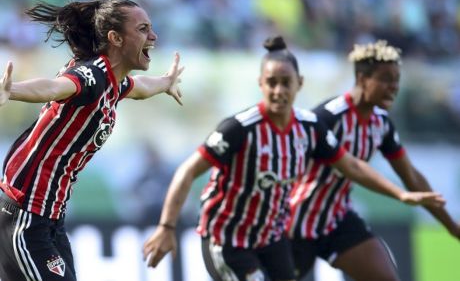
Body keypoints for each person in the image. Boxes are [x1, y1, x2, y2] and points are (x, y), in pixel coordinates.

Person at [142, 36, 444, 281]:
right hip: (228, 239)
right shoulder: (239, 128)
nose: (278, 90)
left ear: (299, 83)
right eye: (271, 82)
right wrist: (166, 227)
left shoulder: (310, 128)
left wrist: (400, 193)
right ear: (261, 84)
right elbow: (187, 170)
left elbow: (351, 165)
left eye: (285, 82)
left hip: (272, 238)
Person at [0, 0, 184, 281]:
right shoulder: (91, 77)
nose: (153, 36)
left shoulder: (114, 81)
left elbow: (138, 88)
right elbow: (54, 87)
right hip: (26, 213)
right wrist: (12, 91)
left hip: (48, 218)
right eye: (143, 29)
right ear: (116, 38)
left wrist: (164, 83)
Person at [287, 40, 460, 281]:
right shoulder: (328, 116)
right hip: (295, 223)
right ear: (361, 79)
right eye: (385, 79)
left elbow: (410, 177)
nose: (393, 87)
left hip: (337, 220)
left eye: (396, 80)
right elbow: (289, 159)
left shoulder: (382, 124)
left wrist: (451, 226)